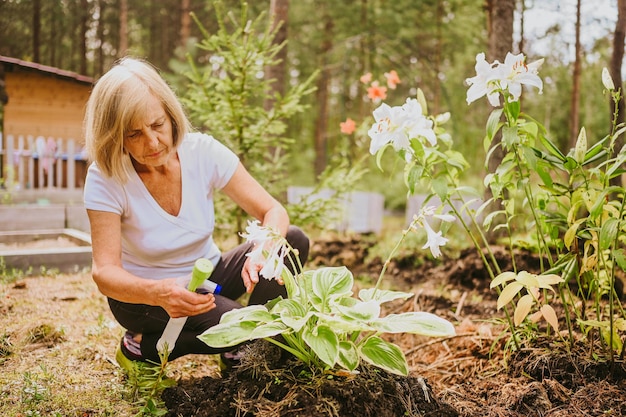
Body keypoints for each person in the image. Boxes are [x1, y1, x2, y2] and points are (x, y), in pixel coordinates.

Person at [82, 57, 309, 369]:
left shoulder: (201, 152)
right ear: (114, 135)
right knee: (243, 324)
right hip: (144, 297)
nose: (152, 142)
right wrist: (158, 292)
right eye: (134, 134)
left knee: (291, 240)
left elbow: (273, 210)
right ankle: (141, 346)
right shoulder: (106, 177)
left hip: (206, 276)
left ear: (170, 114)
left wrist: (263, 251)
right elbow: (104, 272)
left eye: (157, 125)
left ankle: (239, 351)